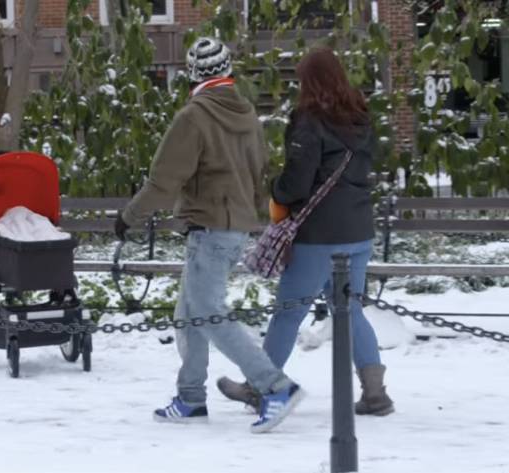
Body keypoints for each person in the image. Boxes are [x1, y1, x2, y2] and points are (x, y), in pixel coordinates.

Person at [115, 37, 305, 433]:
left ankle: (275, 387)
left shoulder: (193, 117)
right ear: (226, 70)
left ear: (193, 74)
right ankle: (190, 398)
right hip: (234, 225)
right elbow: (259, 171)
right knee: (189, 313)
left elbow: (163, 181)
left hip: (209, 228)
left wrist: (128, 217)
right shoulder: (248, 113)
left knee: (207, 313)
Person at [217, 47, 395, 416]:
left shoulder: (309, 121)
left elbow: (297, 183)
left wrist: (276, 191)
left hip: (319, 236)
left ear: (309, 82)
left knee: (288, 312)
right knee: (350, 310)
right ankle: (375, 393)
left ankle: (260, 386)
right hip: (359, 232)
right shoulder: (361, 117)